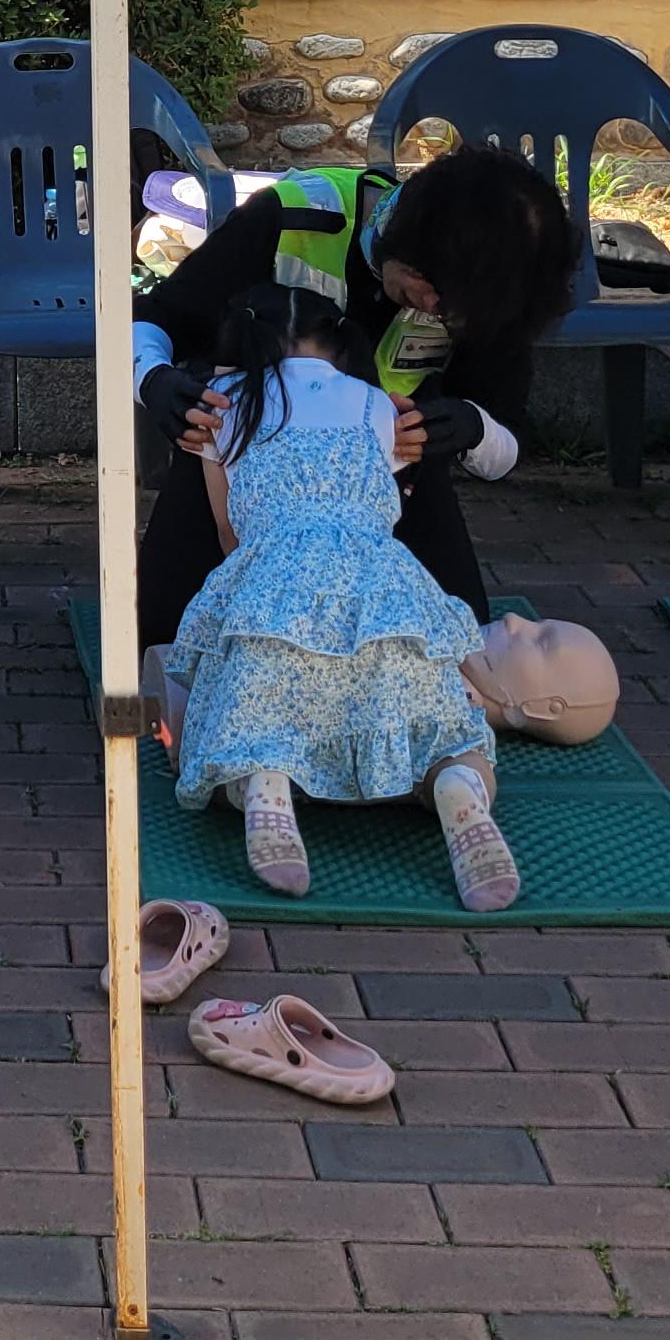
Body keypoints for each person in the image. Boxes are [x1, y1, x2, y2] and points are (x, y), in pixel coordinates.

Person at [163, 284, 517, 913]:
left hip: (272, 591)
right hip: (382, 595)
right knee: (444, 733)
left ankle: (263, 783)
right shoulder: (375, 403)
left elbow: (228, 531)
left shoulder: (224, 405)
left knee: (228, 734)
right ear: (339, 342)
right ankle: (459, 785)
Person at [130, 150, 578, 642]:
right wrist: (154, 381)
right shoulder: (290, 218)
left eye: (455, 308)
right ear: (406, 236)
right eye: (431, 286)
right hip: (240, 463)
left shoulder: (493, 296)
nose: (433, 307)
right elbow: (154, 319)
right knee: (165, 633)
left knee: (458, 636)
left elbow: (506, 443)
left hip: (387, 477)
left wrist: (471, 426)